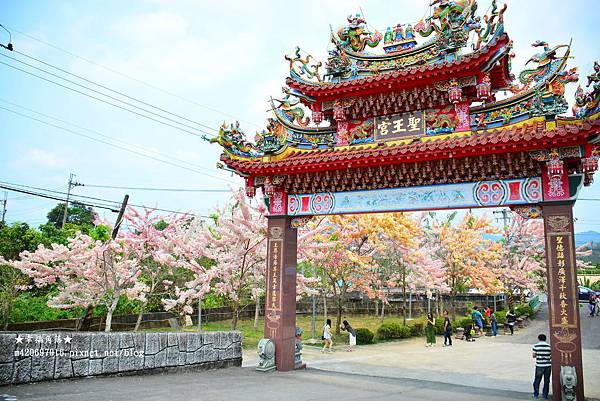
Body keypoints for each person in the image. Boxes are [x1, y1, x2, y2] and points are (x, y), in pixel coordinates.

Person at [532, 333, 552, 400]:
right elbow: (551, 356)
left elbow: (534, 356)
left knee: (537, 380)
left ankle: (536, 394)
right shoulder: (549, 346)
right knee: (546, 381)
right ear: (545, 339)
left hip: (539, 365)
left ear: (539, 339)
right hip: (548, 366)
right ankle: (545, 396)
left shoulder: (536, 346)